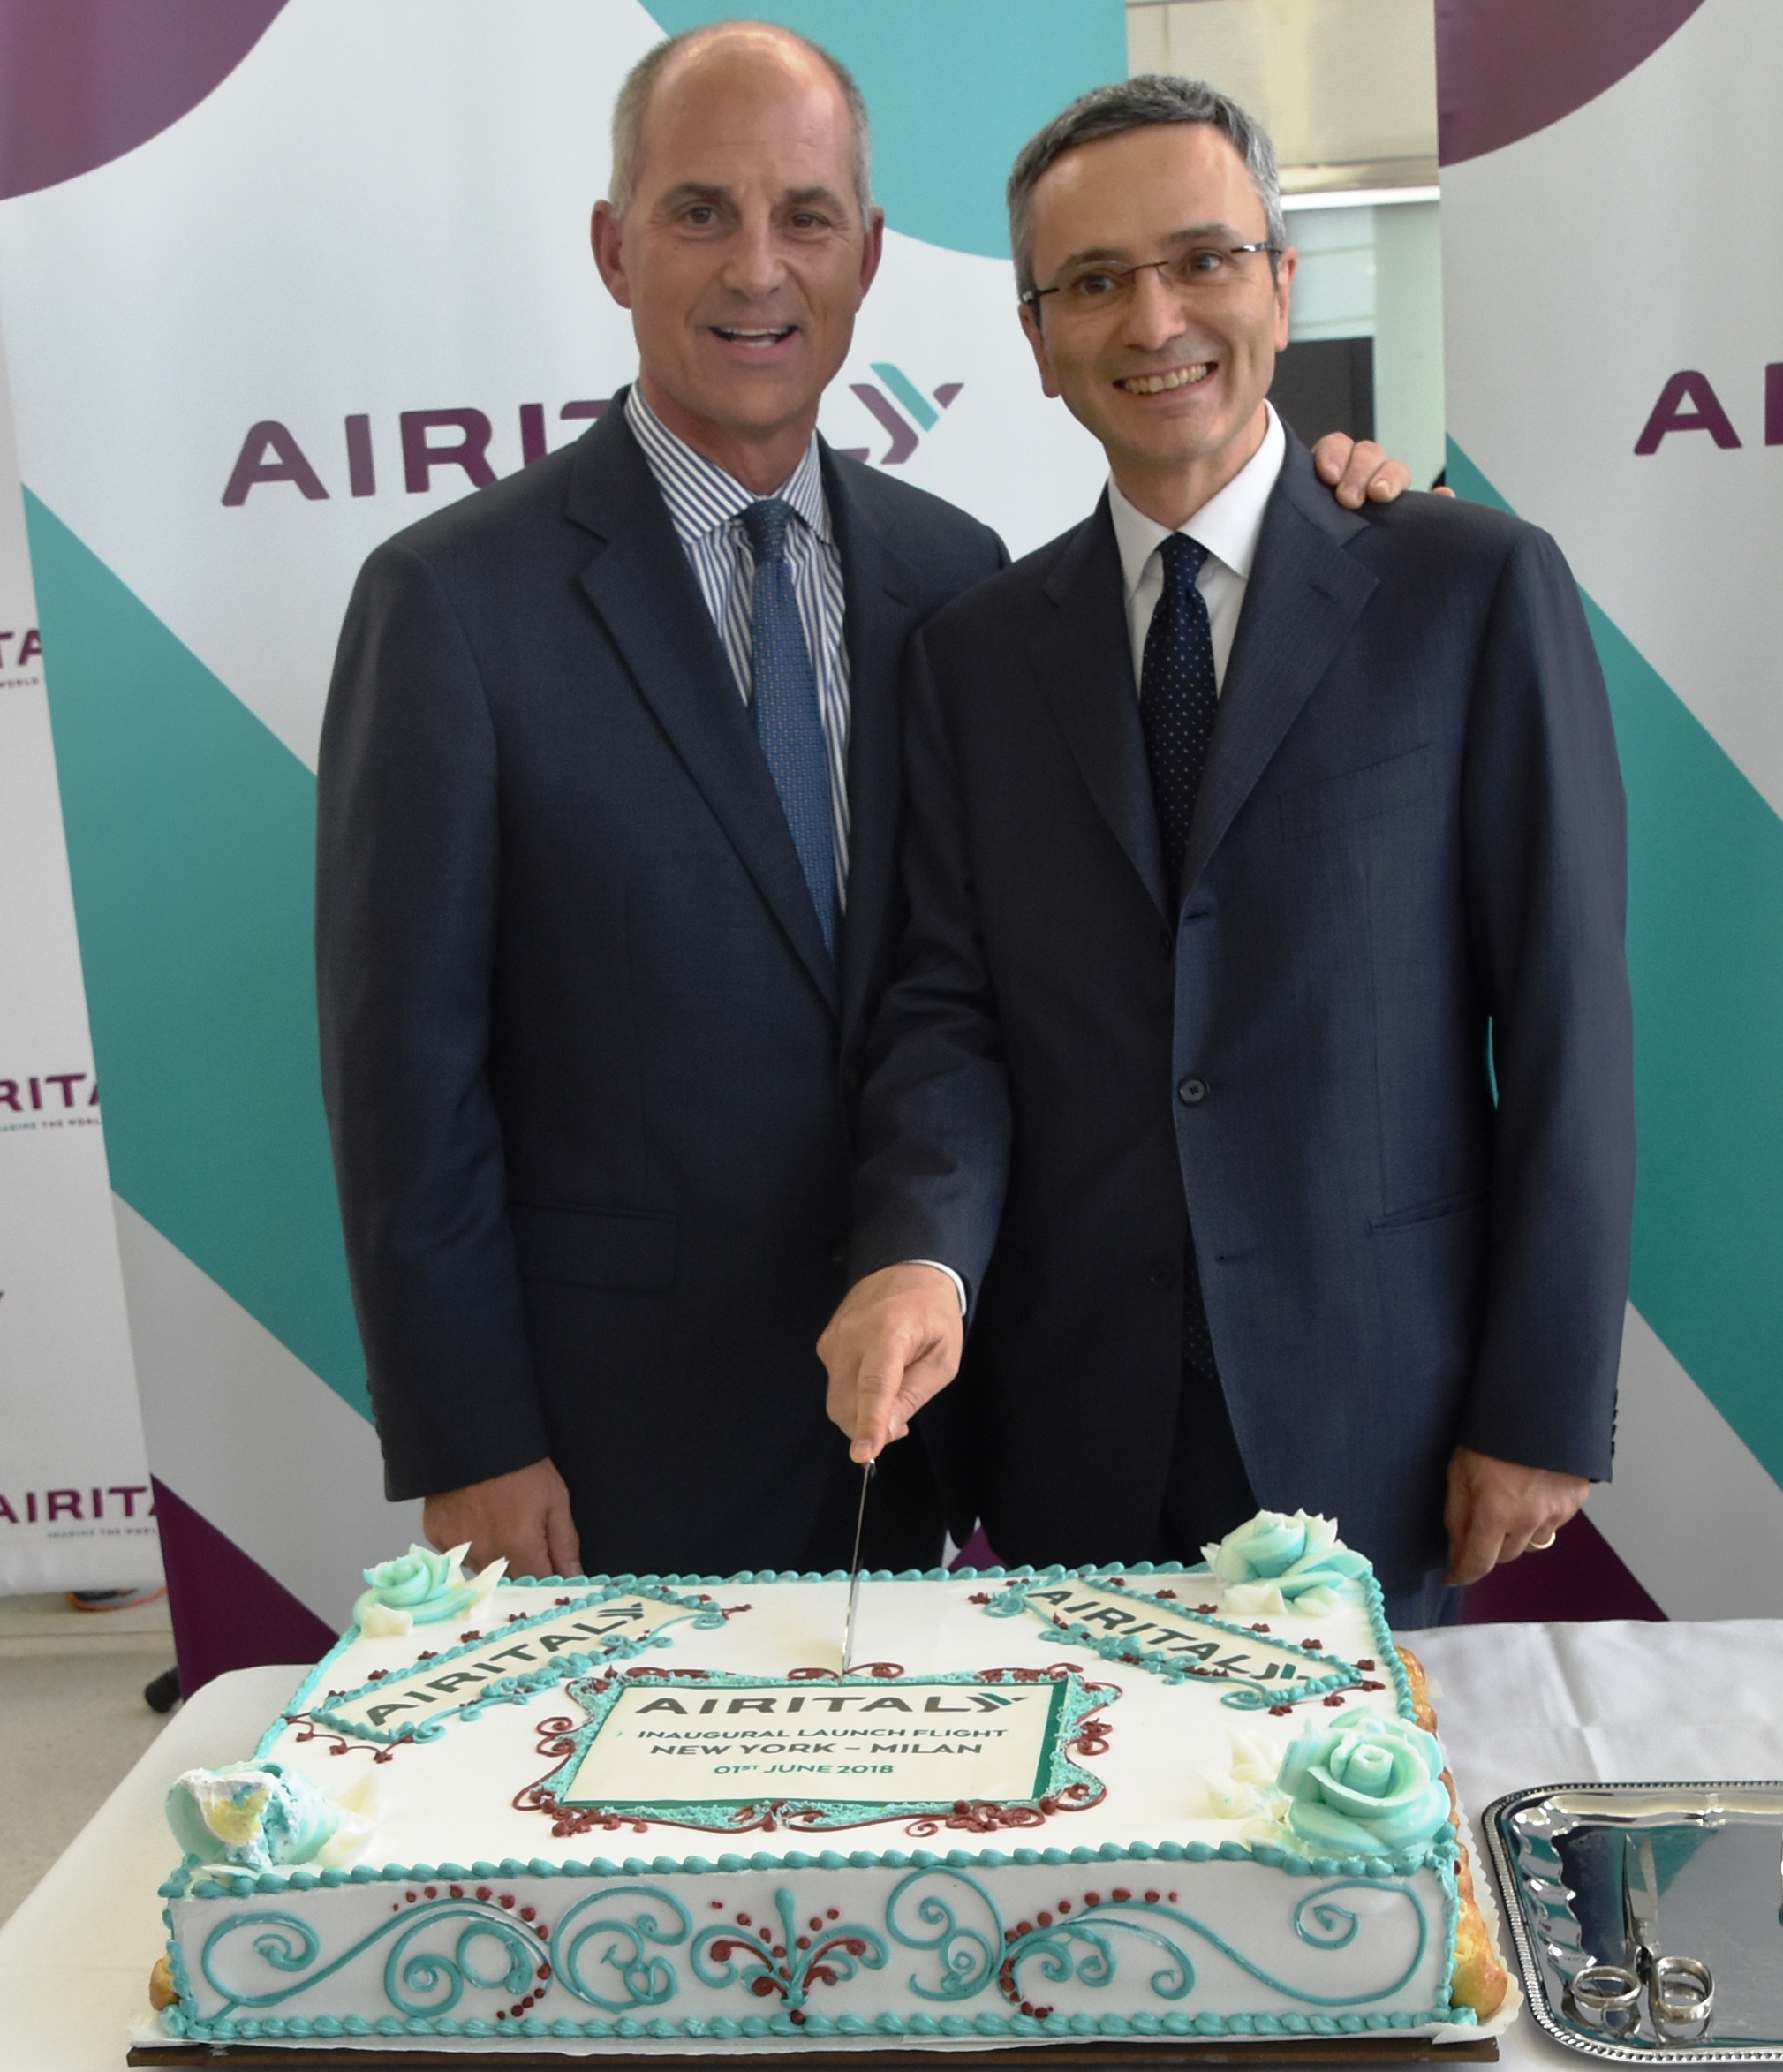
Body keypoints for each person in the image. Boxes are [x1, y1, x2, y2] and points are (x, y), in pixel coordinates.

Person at [316, 30, 1414, 1584]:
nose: (758, 268)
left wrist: (1339, 505)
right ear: (612, 248)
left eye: (807, 216)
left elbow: (986, 979)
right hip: (616, 1434)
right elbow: (401, 1074)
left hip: (954, 1411)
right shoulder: (449, 602)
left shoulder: (957, 579)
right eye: (700, 212)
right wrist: (471, 1436)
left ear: (871, 257)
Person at [819, 76, 1632, 1627]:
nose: (1153, 318)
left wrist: (1537, 1403)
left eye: (1200, 259)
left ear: (1280, 280)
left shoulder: (1470, 589)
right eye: (1096, 282)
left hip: (1378, 1414)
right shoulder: (975, 655)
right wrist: (922, 1255)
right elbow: (947, 1008)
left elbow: (1564, 1021)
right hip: (1071, 1429)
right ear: (1038, 334)